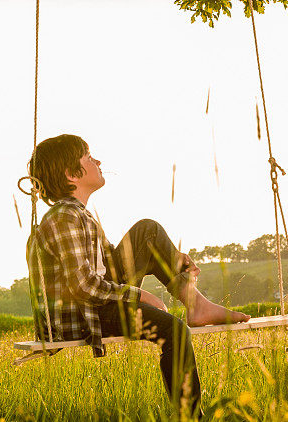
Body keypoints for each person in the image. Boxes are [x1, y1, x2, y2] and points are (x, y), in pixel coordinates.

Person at [25, 134, 250, 418]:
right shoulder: (64, 217)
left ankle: (197, 304)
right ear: (72, 174)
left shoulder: (81, 215)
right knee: (174, 331)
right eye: (88, 156)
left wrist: (167, 256)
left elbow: (108, 264)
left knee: (148, 232)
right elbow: (83, 285)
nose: (98, 161)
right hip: (82, 317)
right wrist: (139, 294)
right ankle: (192, 417)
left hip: (94, 307)